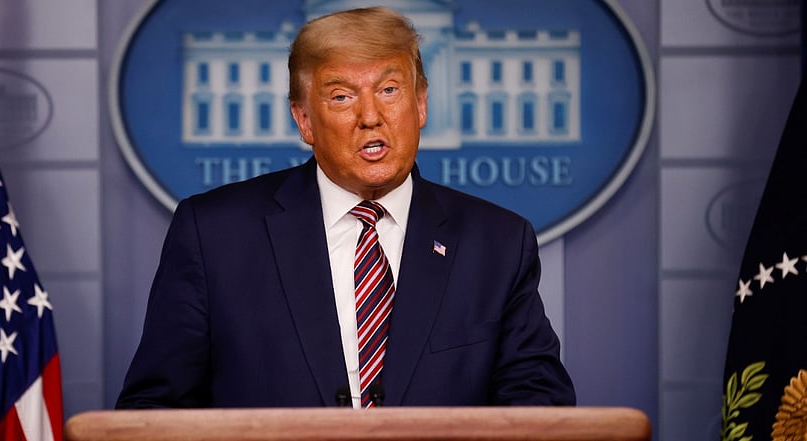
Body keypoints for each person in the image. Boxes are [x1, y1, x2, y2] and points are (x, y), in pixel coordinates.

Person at [116, 6, 575, 409]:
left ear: (420, 104)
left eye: (390, 90)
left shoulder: (497, 242)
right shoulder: (214, 234)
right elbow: (154, 410)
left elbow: (538, 406)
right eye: (341, 96)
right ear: (303, 120)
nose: (370, 116)